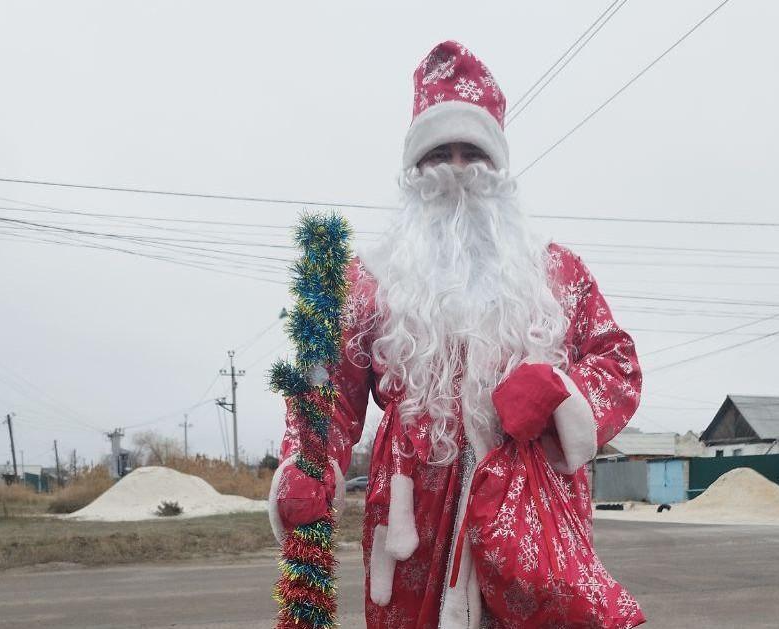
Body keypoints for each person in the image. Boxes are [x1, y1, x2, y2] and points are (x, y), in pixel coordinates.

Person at [270, 40, 643, 628]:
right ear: (414, 170)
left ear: (498, 167)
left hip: (533, 520)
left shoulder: (556, 275)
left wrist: (557, 390)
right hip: (410, 525)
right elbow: (328, 397)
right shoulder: (369, 282)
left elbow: (617, 363)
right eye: (439, 153)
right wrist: (306, 464)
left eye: (473, 151)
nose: (457, 170)